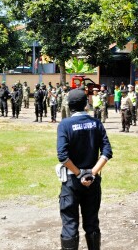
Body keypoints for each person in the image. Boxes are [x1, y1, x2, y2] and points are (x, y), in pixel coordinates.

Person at [56, 89, 113, 250]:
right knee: (92, 222)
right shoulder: (96, 123)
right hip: (92, 182)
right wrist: (91, 173)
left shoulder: (65, 125)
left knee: (70, 224)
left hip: (72, 181)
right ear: (86, 104)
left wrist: (79, 173)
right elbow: (107, 152)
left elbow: (62, 155)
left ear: (69, 106)